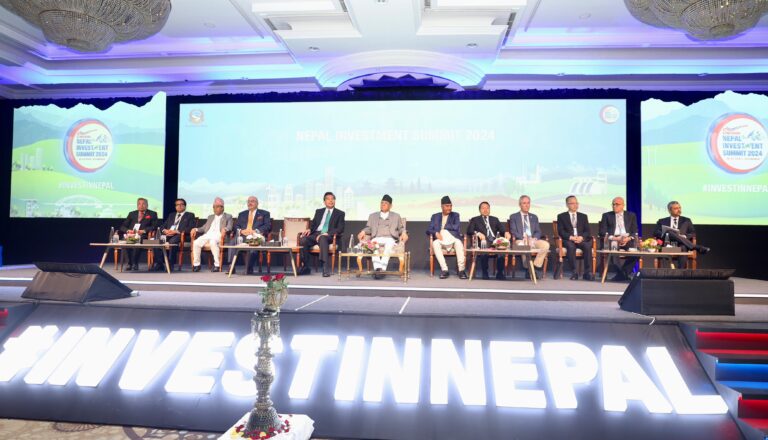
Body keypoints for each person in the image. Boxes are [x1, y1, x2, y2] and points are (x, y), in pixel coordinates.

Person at [358, 194, 408, 279]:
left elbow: (401, 229)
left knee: (388, 246)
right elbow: (368, 228)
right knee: (373, 246)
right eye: (382, 203)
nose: (383, 205)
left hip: (390, 238)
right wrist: (363, 231)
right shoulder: (373, 216)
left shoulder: (396, 216)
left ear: (390, 206)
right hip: (376, 238)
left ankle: (381, 269)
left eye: (385, 203)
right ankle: (379, 269)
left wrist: (404, 232)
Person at [299, 192, 345, 277]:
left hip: (329, 235)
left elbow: (340, 228)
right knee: (303, 240)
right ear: (324, 202)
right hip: (316, 234)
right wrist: (309, 229)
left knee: (323, 238)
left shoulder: (340, 213)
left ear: (335, 201)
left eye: (332, 199)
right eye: (328, 199)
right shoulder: (319, 211)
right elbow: (314, 225)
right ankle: (306, 267)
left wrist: (326, 233)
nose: (331, 201)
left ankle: (325, 268)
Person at [653, 201, 710, 268]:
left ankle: (680, 271)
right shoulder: (662, 221)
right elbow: (655, 232)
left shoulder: (686, 220)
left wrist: (684, 236)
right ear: (669, 210)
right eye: (676, 208)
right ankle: (696, 247)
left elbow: (693, 233)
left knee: (683, 247)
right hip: (667, 248)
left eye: (679, 208)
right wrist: (666, 234)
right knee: (669, 232)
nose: (679, 210)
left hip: (681, 246)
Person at [509, 195, 551, 279]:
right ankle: (528, 268)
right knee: (524, 245)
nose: (527, 205)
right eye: (524, 203)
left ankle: (534, 267)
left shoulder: (534, 217)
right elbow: (513, 231)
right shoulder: (514, 216)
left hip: (533, 240)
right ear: (520, 204)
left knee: (545, 245)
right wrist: (524, 238)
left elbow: (538, 231)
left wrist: (534, 238)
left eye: (528, 203)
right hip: (520, 240)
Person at [598, 197, 639, 281]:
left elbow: (635, 231)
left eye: (617, 204)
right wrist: (615, 238)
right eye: (613, 204)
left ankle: (622, 274)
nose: (614, 206)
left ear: (623, 205)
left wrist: (628, 238)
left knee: (636, 252)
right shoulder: (606, 215)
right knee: (614, 250)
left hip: (627, 239)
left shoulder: (631, 215)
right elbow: (602, 232)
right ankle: (622, 275)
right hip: (613, 239)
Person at [466, 201, 509, 280]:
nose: (485, 210)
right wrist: (478, 233)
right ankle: (485, 272)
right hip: (483, 241)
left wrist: (506, 232)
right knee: (484, 248)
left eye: (487, 208)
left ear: (489, 209)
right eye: (483, 208)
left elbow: (502, 229)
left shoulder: (495, 219)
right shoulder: (475, 219)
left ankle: (500, 273)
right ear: (479, 210)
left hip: (494, 241)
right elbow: (469, 230)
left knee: (502, 249)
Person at [427, 196, 467, 279]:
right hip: (441, 239)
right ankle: (445, 270)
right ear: (442, 206)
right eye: (447, 206)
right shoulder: (435, 216)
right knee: (435, 243)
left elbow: (456, 227)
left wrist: (443, 229)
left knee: (458, 243)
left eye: (450, 206)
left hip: (452, 238)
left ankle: (461, 270)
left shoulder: (455, 215)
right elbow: (429, 230)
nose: (449, 208)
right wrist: (436, 233)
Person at [190, 197, 233, 272]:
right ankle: (197, 265)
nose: (215, 209)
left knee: (212, 242)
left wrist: (225, 229)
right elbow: (204, 228)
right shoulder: (210, 217)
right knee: (196, 243)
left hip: (219, 235)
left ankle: (217, 265)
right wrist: (195, 229)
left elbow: (230, 227)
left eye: (217, 207)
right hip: (208, 235)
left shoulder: (228, 216)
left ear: (222, 208)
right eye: (214, 207)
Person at [152, 198, 195, 272]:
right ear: (175, 207)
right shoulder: (171, 215)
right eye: (177, 205)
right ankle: (160, 264)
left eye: (181, 204)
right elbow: (162, 226)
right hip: (168, 235)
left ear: (185, 206)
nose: (179, 206)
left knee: (172, 241)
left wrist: (176, 231)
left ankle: (170, 264)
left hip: (181, 235)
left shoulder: (190, 215)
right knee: (156, 241)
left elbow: (190, 227)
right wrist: (165, 230)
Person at [556, 195, 593, 280]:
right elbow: (561, 231)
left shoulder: (583, 216)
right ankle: (574, 272)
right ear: (567, 205)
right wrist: (571, 237)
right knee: (571, 246)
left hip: (580, 239)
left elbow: (587, 231)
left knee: (587, 246)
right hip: (568, 240)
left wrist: (581, 237)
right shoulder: (561, 216)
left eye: (576, 203)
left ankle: (587, 273)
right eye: (572, 203)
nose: (575, 205)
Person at [232, 196, 272, 274]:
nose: (250, 203)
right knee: (232, 242)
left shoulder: (264, 213)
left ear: (257, 203)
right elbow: (236, 226)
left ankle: (249, 267)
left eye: (252, 201)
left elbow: (268, 226)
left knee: (253, 245)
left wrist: (255, 231)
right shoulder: (242, 214)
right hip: (243, 236)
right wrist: (241, 231)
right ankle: (232, 266)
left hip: (256, 235)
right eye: (248, 201)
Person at [119, 197, 158, 271]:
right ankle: (129, 263)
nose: (141, 205)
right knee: (126, 241)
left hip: (143, 236)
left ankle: (134, 263)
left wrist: (144, 231)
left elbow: (154, 226)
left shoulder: (152, 214)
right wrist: (128, 230)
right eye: (139, 204)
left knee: (136, 240)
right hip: (131, 235)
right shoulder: (132, 214)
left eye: (143, 204)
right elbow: (123, 226)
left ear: (147, 205)